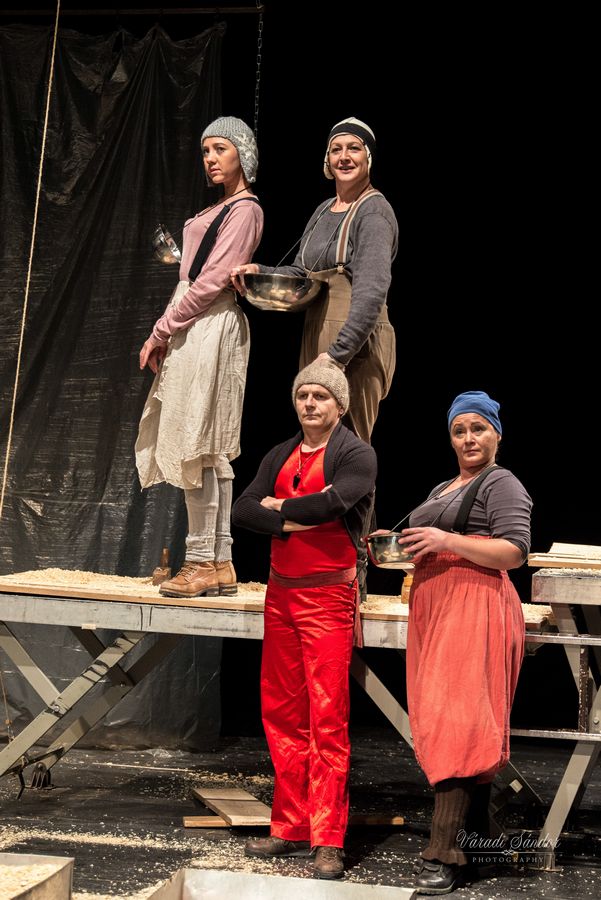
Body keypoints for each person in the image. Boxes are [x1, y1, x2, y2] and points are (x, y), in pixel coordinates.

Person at [231, 361, 377, 879]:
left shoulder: (355, 454)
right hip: (281, 595)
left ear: (339, 404)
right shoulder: (280, 453)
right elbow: (242, 510)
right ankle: (289, 825)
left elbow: (333, 505)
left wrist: (280, 509)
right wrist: (291, 516)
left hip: (328, 596)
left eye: (320, 396)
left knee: (327, 718)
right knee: (282, 712)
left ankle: (328, 838)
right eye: (303, 396)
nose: (310, 404)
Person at [395, 391, 532, 895]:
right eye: (460, 430)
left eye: (478, 428)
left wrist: (446, 541)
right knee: (448, 719)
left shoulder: (501, 482)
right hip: (438, 604)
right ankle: (481, 842)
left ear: (497, 433)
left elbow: (514, 551)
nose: (469, 438)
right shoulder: (445, 486)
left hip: (475, 603)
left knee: (457, 724)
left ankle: (443, 853)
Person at [136, 117, 264, 598]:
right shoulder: (221, 207)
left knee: (200, 440)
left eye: (220, 149)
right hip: (196, 324)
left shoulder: (244, 209)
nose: (210, 158)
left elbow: (210, 282)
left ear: (242, 154)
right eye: (206, 150)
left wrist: (162, 329)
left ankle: (200, 560)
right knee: (205, 443)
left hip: (209, 323)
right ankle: (220, 560)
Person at [232, 116, 398, 445]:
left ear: (368, 157)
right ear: (327, 159)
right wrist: (260, 272)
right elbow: (300, 274)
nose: (344, 157)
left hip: (356, 344)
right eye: (336, 149)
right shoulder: (324, 210)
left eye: (354, 148)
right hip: (317, 333)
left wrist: (338, 355)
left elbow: (371, 293)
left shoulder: (374, 213)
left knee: (347, 445)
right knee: (317, 441)